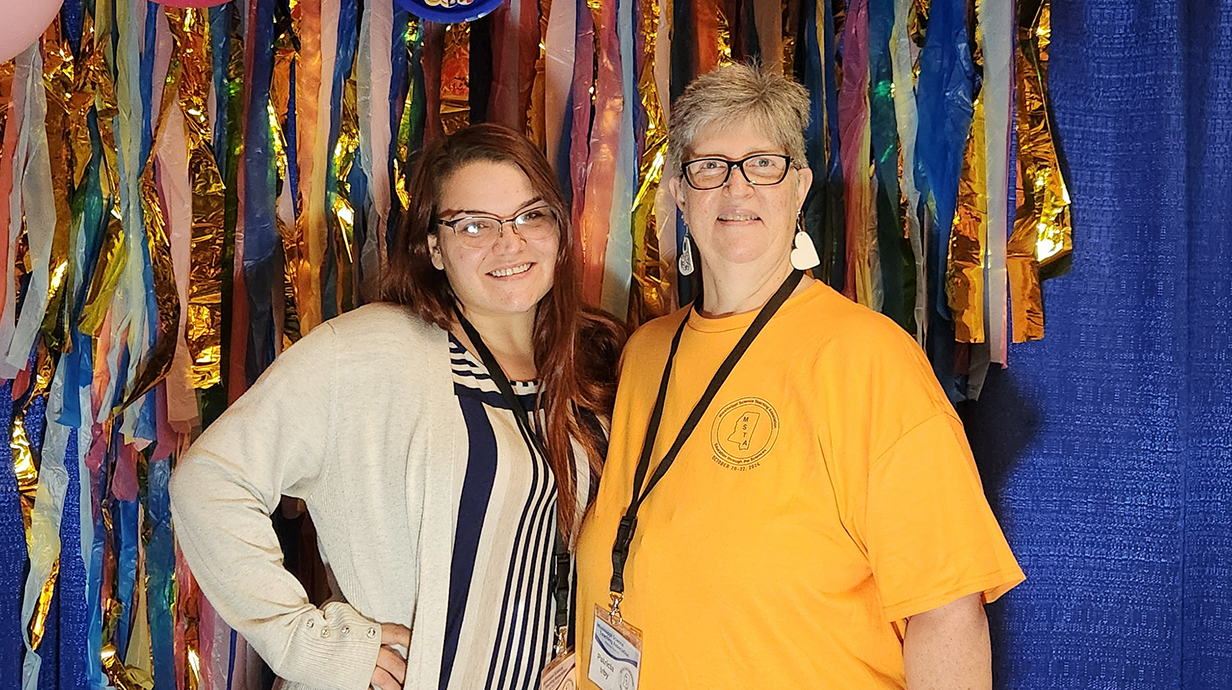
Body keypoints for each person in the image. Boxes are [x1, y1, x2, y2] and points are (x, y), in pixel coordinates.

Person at [573, 63, 1024, 690]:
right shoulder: (645, 352)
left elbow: (946, 613)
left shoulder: (870, 358)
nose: (738, 189)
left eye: (764, 164)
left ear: (800, 186)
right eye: (710, 167)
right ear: (678, 189)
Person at [170, 123, 625, 690]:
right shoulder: (368, 352)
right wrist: (308, 644)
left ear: (558, 227)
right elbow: (209, 482)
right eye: (475, 225)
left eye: (530, 215)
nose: (510, 243)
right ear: (434, 246)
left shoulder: (596, 361)